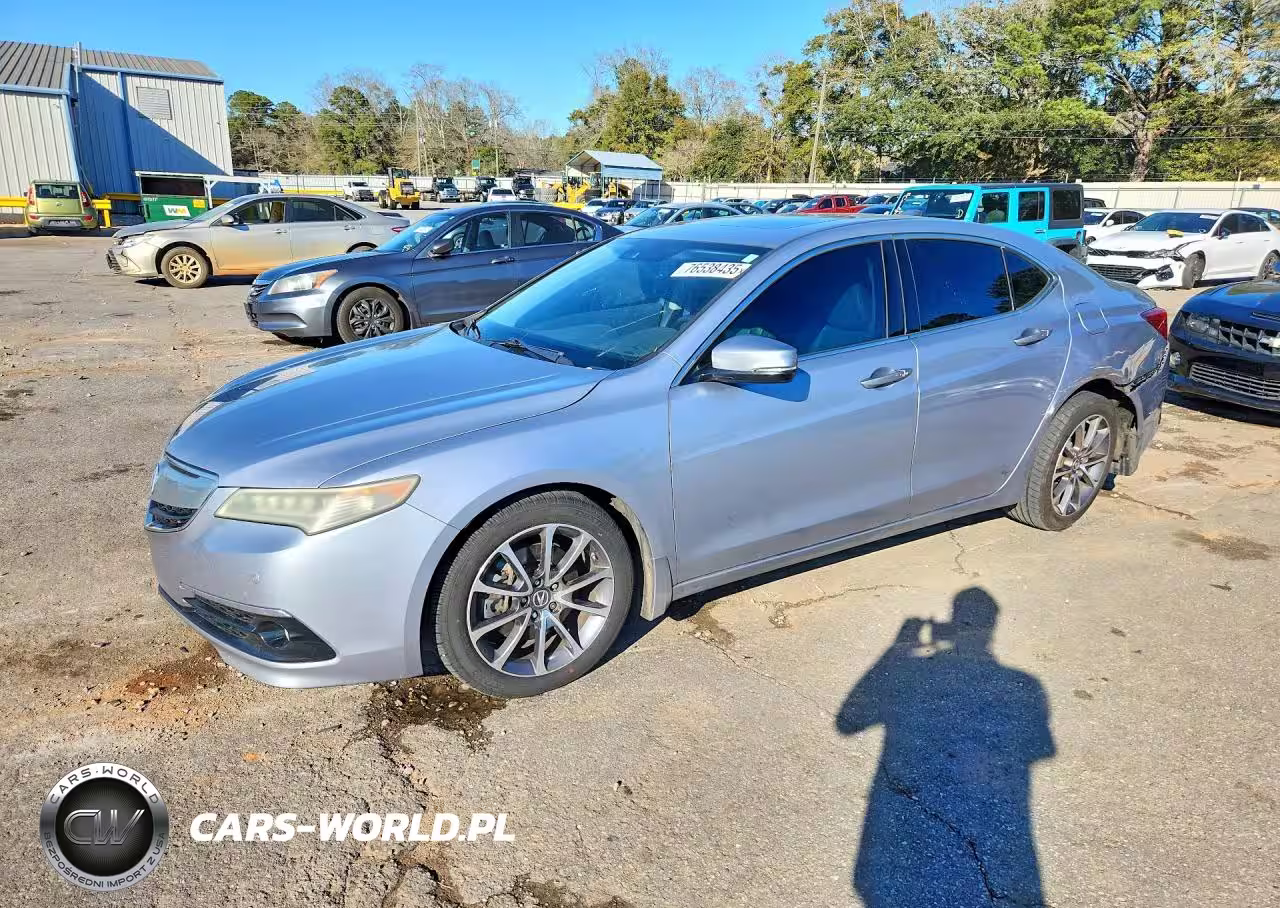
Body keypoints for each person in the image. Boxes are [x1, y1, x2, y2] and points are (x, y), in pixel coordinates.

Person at [837, 588, 1054, 907]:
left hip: (901, 839)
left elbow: (849, 721)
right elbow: (1037, 747)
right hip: (1005, 833)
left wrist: (900, 647)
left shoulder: (916, 670)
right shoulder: (1025, 684)